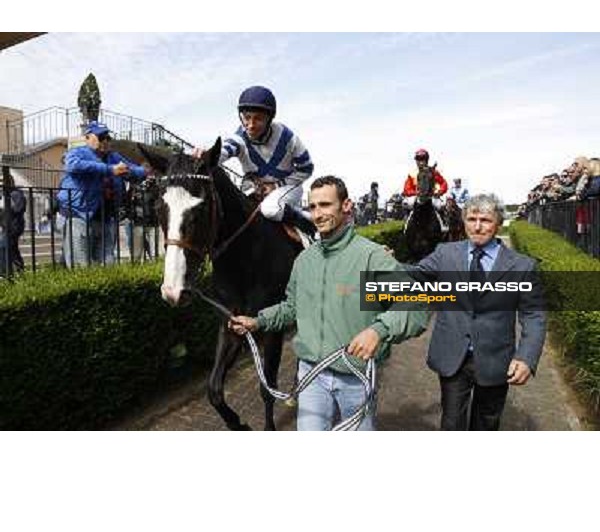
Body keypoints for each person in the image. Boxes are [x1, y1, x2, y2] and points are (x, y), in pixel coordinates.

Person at [229, 175, 429, 431]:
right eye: (312, 207)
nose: (317, 214)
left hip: (356, 380)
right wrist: (258, 321)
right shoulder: (304, 261)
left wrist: (378, 330)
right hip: (311, 376)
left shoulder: (371, 257)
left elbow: (416, 304)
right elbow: (292, 307)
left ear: (346, 206)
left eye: (325, 205)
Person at [414, 193, 546, 431]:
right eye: (471, 218)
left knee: (486, 424)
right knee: (451, 423)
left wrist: (526, 357)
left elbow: (534, 316)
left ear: (498, 223)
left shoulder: (522, 266)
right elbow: (414, 275)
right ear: (463, 221)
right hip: (453, 356)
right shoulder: (445, 253)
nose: (477, 226)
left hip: (496, 360)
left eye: (485, 220)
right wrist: (384, 263)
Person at [192, 86, 315, 235]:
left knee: (270, 209)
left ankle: (310, 224)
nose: (250, 125)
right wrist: (206, 154)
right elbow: (224, 151)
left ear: (269, 119)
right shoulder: (239, 138)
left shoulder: (287, 137)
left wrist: (276, 185)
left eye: (258, 118)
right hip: (255, 188)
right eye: (247, 117)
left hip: (288, 187)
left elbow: (307, 168)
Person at [57, 121, 147, 267]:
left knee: (108, 263)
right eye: (101, 137)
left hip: (106, 217)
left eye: (107, 137)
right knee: (81, 266)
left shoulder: (113, 156)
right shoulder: (77, 152)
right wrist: (110, 169)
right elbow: (73, 165)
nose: (105, 141)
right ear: (88, 138)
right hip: (79, 215)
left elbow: (136, 170)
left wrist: (139, 171)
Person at [403, 148, 448, 229]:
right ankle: (406, 225)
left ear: (426, 160)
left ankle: (443, 225)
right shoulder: (412, 173)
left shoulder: (433, 172)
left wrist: (439, 192)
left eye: (423, 159)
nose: (420, 161)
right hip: (417, 196)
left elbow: (444, 183)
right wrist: (415, 193)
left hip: (431, 196)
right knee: (406, 203)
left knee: (440, 205)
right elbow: (406, 189)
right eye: (418, 159)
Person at [0, 173, 27, 274]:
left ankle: (5, 272)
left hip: (14, 226)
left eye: (3, 181)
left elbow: (19, 208)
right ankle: (19, 270)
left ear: (10, 181)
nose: (2, 183)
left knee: (3, 246)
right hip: (5, 226)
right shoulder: (3, 195)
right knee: (13, 249)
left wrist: (5, 207)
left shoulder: (16, 193)